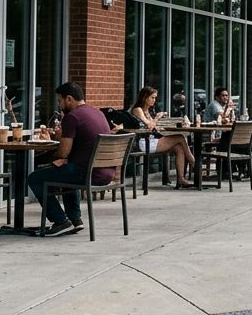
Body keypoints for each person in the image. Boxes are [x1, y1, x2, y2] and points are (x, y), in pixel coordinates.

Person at [28, 82, 115, 236]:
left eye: (60, 101)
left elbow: (63, 152)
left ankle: (61, 221)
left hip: (87, 173)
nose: (59, 105)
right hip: (106, 173)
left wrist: (57, 157)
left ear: (69, 99)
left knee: (35, 178)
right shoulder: (97, 112)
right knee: (66, 173)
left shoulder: (72, 116)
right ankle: (75, 220)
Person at [129, 86, 195, 188]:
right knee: (180, 137)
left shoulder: (147, 111)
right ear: (145, 97)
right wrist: (157, 117)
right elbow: (150, 126)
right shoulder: (138, 110)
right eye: (152, 97)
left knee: (179, 148)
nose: (154, 100)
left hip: (151, 140)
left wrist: (161, 127)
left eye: (155, 98)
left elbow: (153, 127)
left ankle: (181, 179)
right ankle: (192, 160)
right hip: (144, 142)